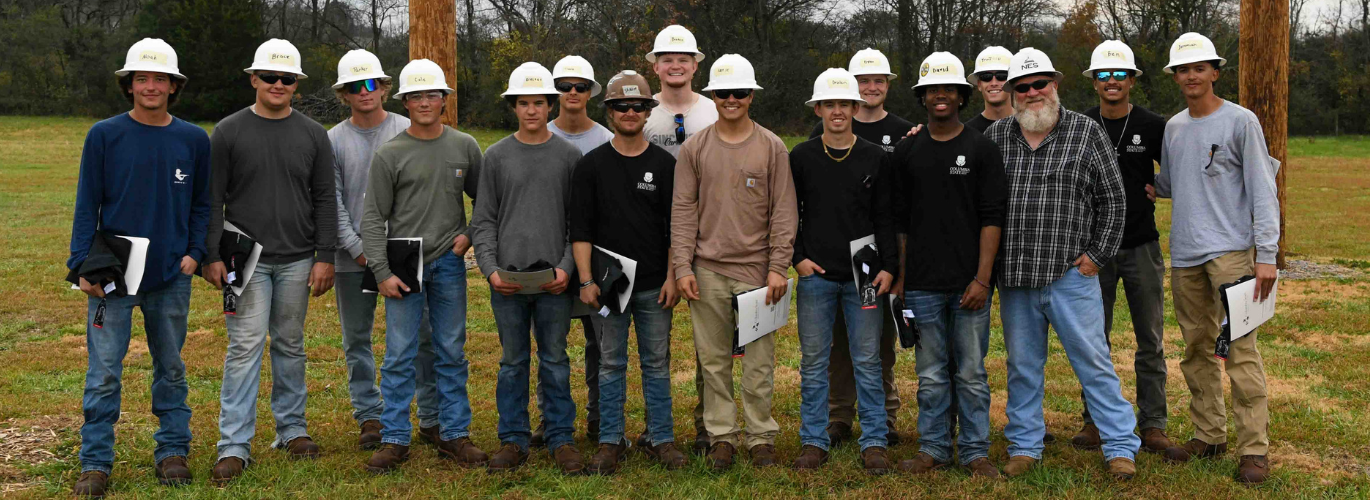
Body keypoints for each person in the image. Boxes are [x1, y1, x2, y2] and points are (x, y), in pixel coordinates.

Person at [983, 48, 1138, 481]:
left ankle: (1121, 447)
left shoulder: (1086, 132)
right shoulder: (995, 137)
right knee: (1022, 367)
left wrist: (1096, 257)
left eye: (1040, 83)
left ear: (1056, 83)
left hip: (1071, 275)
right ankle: (1025, 445)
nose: (1033, 92)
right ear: (1012, 93)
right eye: (1023, 87)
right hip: (1015, 277)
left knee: (1094, 362)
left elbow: (1114, 200)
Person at [68, 38, 208, 498]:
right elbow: (88, 203)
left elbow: (203, 204)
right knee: (105, 370)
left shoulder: (192, 139)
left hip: (171, 274)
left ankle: (172, 450)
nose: (151, 86)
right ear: (129, 85)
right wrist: (81, 265)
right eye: (142, 79)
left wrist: (194, 254)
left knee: (170, 367)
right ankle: (95, 462)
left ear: (173, 86)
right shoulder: (104, 135)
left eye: (160, 79)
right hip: (113, 274)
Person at [202, 38, 337, 485]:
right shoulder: (228, 132)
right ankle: (234, 445)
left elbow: (323, 199)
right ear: (254, 79)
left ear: (296, 85)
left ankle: (292, 429)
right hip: (246, 261)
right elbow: (212, 199)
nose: (279, 84)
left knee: (291, 344)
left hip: (299, 258)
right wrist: (212, 255)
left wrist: (325, 256)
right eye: (271, 77)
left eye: (287, 78)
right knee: (244, 348)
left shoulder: (314, 135)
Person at [1154, 32, 1280, 485]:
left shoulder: (1240, 121)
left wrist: (1266, 254)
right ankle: (1209, 435)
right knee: (1196, 348)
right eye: (1183, 69)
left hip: (1231, 254)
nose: (1191, 76)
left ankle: (1254, 450)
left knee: (1240, 351)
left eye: (1199, 68)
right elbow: (1170, 182)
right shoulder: (1174, 127)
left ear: (1214, 72)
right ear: (1176, 76)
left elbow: (1264, 190)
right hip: (1185, 254)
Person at [360, 59, 489, 473]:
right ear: (405, 101)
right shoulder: (390, 154)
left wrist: (467, 236)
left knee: (451, 350)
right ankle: (395, 437)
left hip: (448, 264)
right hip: (403, 267)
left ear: (444, 99)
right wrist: (381, 272)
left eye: (432, 94)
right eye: (415, 96)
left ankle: (453, 433)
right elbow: (372, 217)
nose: (424, 102)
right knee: (399, 352)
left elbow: (485, 202)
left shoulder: (464, 146)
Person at [883, 52, 1006, 479]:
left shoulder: (981, 149)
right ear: (922, 96)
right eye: (932, 89)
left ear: (960, 95)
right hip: (921, 285)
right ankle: (933, 447)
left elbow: (992, 217)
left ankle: (975, 451)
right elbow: (899, 222)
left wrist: (982, 279)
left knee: (971, 373)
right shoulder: (907, 153)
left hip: (969, 284)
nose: (940, 96)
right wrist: (901, 278)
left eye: (948, 89)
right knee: (931, 374)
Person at [672, 54, 797, 470]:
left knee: (759, 361)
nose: (731, 99)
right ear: (712, 95)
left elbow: (784, 211)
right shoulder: (695, 148)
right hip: (707, 269)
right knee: (713, 361)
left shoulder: (772, 147)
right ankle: (721, 436)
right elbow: (684, 211)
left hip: (760, 273)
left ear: (751, 96)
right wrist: (683, 267)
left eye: (739, 92)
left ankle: (761, 436)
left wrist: (779, 266)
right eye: (723, 93)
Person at [570, 70, 689, 474]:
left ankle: (661, 438)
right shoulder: (590, 166)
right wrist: (585, 281)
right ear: (610, 112)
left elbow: (676, 226)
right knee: (610, 363)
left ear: (648, 111)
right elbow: (581, 231)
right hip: (608, 287)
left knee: (656, 362)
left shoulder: (665, 164)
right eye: (622, 105)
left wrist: (674, 276)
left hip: (656, 285)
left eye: (638, 106)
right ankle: (610, 440)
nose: (630, 112)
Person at [470, 62, 584, 475]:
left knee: (555, 359)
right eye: (524, 103)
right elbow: (483, 219)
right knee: (513, 362)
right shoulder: (496, 156)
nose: (532, 110)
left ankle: (560, 437)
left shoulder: (569, 157)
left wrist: (567, 269)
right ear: (513, 107)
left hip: (554, 281)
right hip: (508, 282)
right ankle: (513, 439)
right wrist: (490, 269)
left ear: (552, 106)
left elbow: (577, 224)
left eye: (539, 102)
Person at [328, 49, 445, 452]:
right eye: (355, 86)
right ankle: (370, 416)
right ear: (344, 93)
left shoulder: (406, 129)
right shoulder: (334, 140)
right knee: (357, 339)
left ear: (385, 88)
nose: (365, 92)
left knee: (421, 337)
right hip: (352, 257)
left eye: (372, 84)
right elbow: (334, 202)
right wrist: (362, 252)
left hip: (406, 255)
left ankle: (430, 416)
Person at [1070, 40, 1174, 455]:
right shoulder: (1080, 124)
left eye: (1119, 74)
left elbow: (1181, 173)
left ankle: (1153, 424)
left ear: (1131, 79)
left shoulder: (1153, 125)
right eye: (1103, 75)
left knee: (1150, 339)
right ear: (1094, 81)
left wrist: (1161, 188)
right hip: (1095, 251)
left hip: (1140, 246)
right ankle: (1094, 421)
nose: (1111, 81)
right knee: (1094, 340)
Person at [788, 68, 894, 474]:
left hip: (864, 273)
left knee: (867, 359)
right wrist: (797, 257)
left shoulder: (874, 156)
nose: (837, 111)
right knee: (814, 361)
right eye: (829, 104)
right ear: (817, 108)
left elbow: (884, 217)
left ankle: (875, 441)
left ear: (856, 107)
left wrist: (887, 267)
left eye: (844, 104)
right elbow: (786, 211)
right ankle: (813, 440)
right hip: (816, 274)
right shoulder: (801, 156)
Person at [805, 48, 910, 447]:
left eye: (878, 80)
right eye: (863, 81)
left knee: (876, 347)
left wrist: (892, 261)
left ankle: (884, 419)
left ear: (887, 85)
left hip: (871, 263)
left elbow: (892, 207)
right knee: (832, 348)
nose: (871, 87)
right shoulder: (813, 145)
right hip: (826, 262)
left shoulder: (904, 131)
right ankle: (838, 417)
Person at [640, 24, 718, 454]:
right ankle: (657, 429)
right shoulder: (640, 109)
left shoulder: (712, 110)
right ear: (655, 65)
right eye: (667, 59)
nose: (675, 65)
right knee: (656, 346)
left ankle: (709, 427)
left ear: (695, 65)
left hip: (708, 237)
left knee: (711, 344)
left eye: (683, 59)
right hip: (652, 239)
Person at [534, 54, 613, 446]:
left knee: (602, 344)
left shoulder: (604, 138)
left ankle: (601, 421)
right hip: (549, 259)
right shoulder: (540, 134)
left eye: (580, 87)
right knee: (550, 346)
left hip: (596, 262)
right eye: (564, 86)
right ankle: (549, 421)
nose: (572, 93)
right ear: (554, 93)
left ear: (591, 92)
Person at [966, 46, 1014, 134]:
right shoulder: (967, 133)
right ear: (979, 84)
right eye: (986, 77)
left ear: (1012, 83)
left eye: (1002, 76)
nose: (994, 83)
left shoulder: (1029, 126)